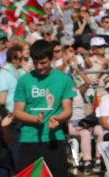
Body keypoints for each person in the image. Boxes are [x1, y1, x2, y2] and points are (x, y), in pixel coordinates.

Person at [12, 40, 76, 177]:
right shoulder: (24, 80)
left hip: (54, 139)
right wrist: (34, 119)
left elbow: (68, 110)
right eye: (35, 63)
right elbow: (17, 112)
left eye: (43, 63)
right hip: (29, 140)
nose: (39, 67)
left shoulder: (64, 79)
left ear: (51, 58)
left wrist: (57, 118)